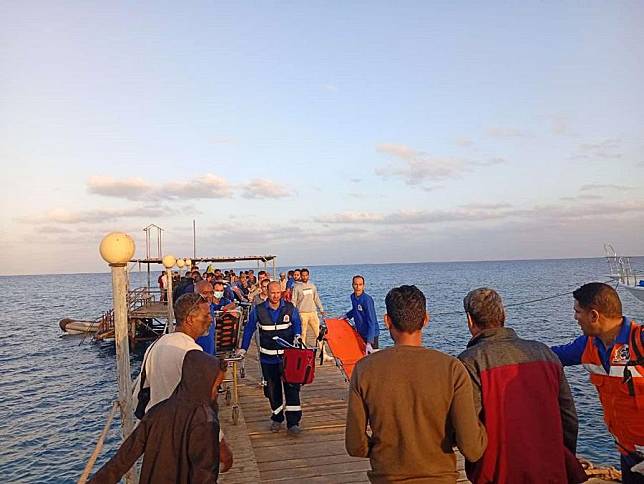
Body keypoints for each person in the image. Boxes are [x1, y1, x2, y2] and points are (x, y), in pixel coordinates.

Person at [346, 285, 487, 482]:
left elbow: (354, 444)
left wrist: (380, 450)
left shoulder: (364, 370)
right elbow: (472, 448)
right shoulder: (452, 369)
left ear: (387, 321)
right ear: (426, 319)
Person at [458, 288, 586, 484]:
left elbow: (470, 433)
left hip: (499, 475)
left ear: (469, 319)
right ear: (503, 315)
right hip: (550, 472)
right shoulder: (545, 353)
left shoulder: (469, 362)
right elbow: (569, 418)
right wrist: (561, 457)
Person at [90, 350, 231, 483]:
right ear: (202, 383)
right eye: (217, 387)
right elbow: (205, 475)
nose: (216, 394)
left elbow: (123, 458)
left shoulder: (157, 411)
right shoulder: (206, 422)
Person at [551, 282, 644, 483]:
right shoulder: (587, 346)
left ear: (594, 315)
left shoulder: (640, 342)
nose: (575, 317)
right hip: (629, 455)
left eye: (578, 311)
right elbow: (548, 356)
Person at [237, 281, 304, 435]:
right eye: (272, 292)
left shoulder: (289, 308)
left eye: (277, 292)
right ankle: (277, 418)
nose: (275, 296)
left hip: (288, 358)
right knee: (272, 391)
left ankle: (293, 423)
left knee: (292, 390)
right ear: (266, 292)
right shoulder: (258, 310)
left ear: (281, 292)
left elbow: (297, 324)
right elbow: (249, 330)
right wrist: (243, 349)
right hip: (268, 359)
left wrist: (298, 335)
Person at [342, 275, 379, 355]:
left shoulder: (367, 300)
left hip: (371, 333)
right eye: (356, 284)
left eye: (360, 284)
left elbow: (371, 320)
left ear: (363, 286)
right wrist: (346, 315)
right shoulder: (352, 297)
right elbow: (355, 309)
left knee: (373, 358)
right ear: (352, 285)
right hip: (361, 331)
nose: (358, 287)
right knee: (362, 356)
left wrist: (369, 341)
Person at [291, 268, 325, 346]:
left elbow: (316, 298)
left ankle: (323, 352)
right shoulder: (297, 287)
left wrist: (321, 309)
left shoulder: (312, 286)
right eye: (303, 276)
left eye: (306, 275)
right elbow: (294, 301)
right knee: (303, 334)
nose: (304, 277)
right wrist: (293, 313)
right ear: (301, 276)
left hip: (313, 312)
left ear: (308, 276)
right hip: (302, 313)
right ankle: (303, 351)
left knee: (318, 333)